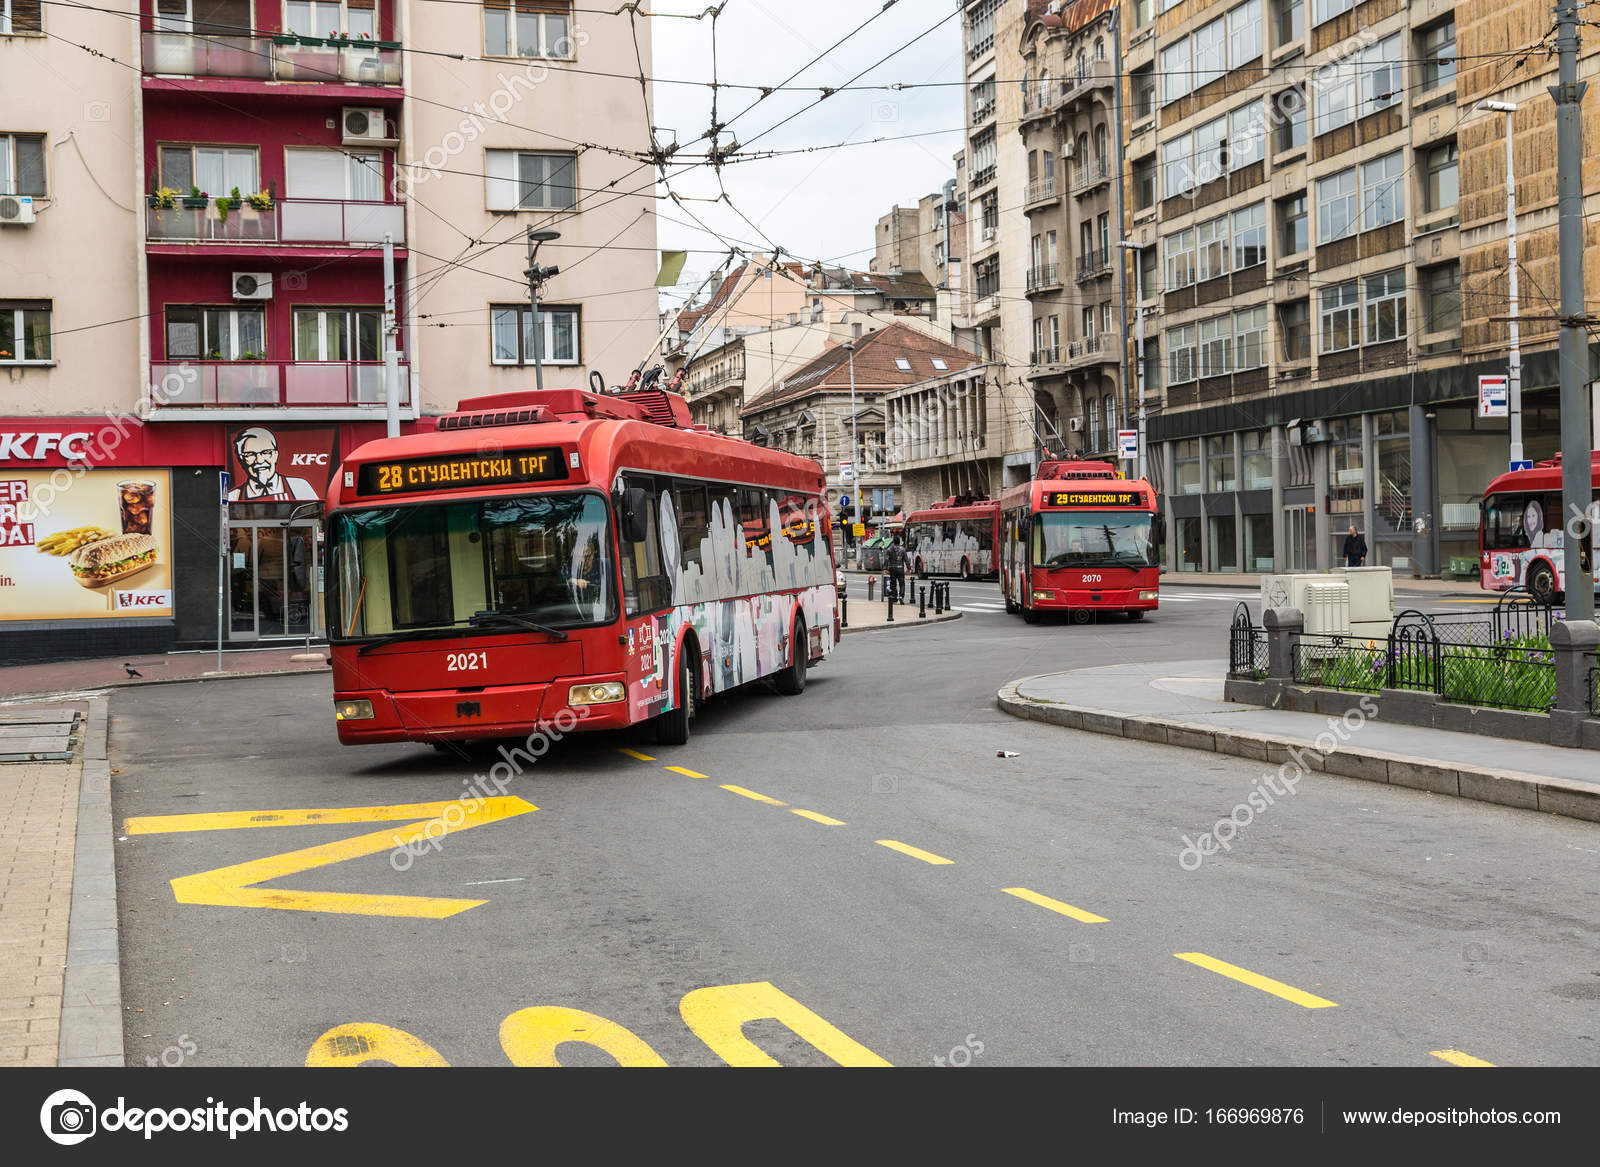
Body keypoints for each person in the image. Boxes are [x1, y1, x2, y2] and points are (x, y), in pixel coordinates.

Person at [885, 535, 909, 603]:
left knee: (893, 584)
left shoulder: (889, 549)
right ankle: (901, 596)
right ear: (899, 542)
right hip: (900, 568)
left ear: (893, 542)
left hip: (892, 568)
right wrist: (908, 568)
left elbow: (886, 560)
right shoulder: (903, 549)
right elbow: (906, 560)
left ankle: (895, 597)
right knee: (902, 584)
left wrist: (885, 569)